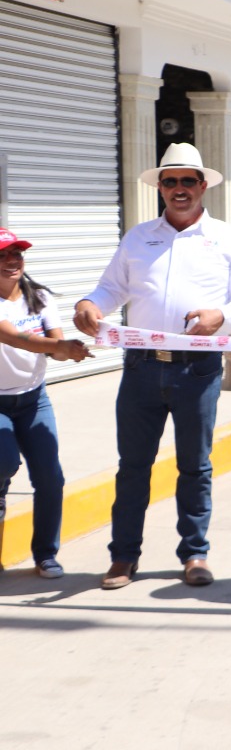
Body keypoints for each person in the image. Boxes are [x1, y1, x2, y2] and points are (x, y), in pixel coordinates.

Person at [75, 143, 231, 590]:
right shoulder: (139, 236)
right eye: (170, 181)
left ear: (203, 187)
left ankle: (194, 553)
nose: (179, 189)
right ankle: (123, 557)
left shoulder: (226, 237)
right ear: (160, 187)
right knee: (133, 466)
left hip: (197, 369)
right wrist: (88, 305)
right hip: (140, 368)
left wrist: (223, 317)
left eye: (188, 181)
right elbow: (110, 289)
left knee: (195, 466)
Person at [0, 230, 91, 578]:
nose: (12, 261)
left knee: (51, 478)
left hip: (34, 399)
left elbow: (55, 344)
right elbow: (14, 337)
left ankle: (46, 555)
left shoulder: (38, 297)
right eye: (3, 255)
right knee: (4, 464)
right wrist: (59, 348)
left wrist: (72, 348)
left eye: (17, 254)